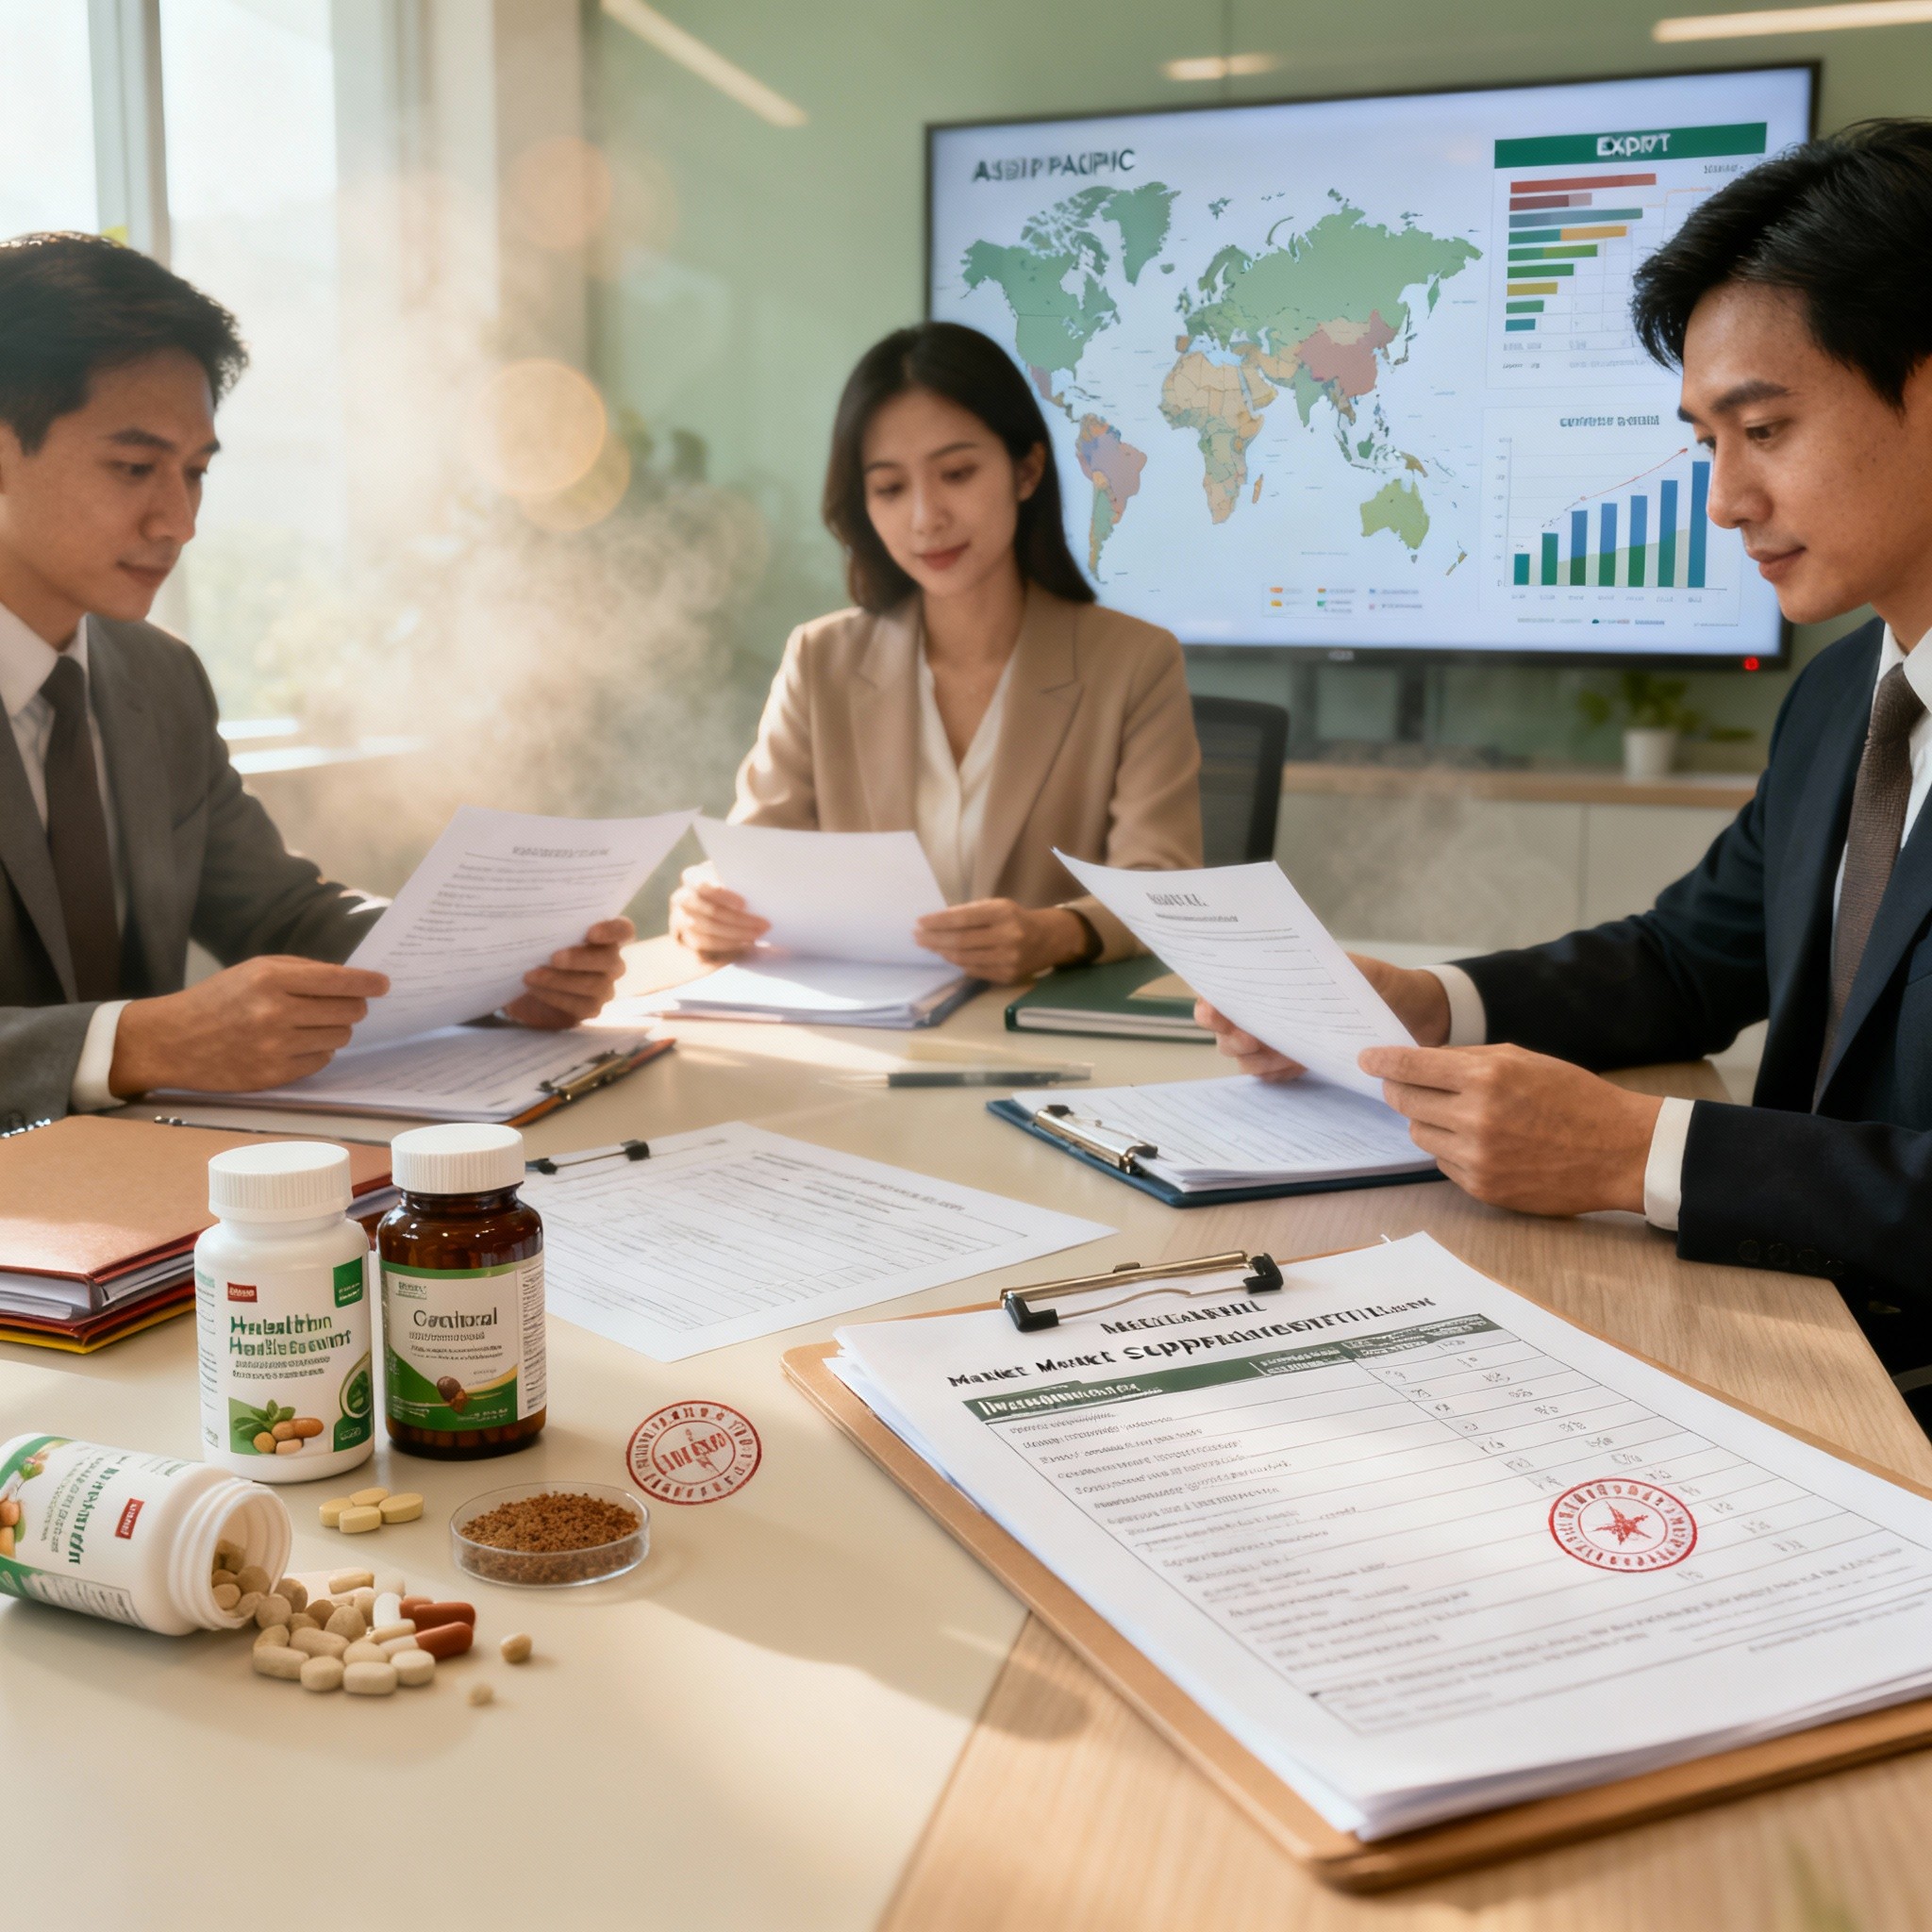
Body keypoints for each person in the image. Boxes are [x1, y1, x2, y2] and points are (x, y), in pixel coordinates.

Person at [1201, 120, 1932, 1365]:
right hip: (1793, 1328)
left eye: (1765, 431)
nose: (1723, 502)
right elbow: (1689, 961)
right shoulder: (1840, 697)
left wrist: (1634, 1151)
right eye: (1707, 444)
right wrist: (1435, 1006)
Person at [0, 233, 631, 1127]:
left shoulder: (157, 677)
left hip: (148, 1200)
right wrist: (136, 1043)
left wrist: (491, 973)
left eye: (196, 473)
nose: (179, 521)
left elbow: (284, 914)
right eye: (134, 468)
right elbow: (136, 1037)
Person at [670, 321, 1201, 982]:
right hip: (865, 1040)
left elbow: (1162, 889)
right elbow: (754, 863)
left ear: (1027, 470)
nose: (925, 517)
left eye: (956, 473)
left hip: (1047, 1043)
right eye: (890, 488)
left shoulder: (1134, 662)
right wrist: (707, 909)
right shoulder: (820, 659)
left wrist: (1055, 933)